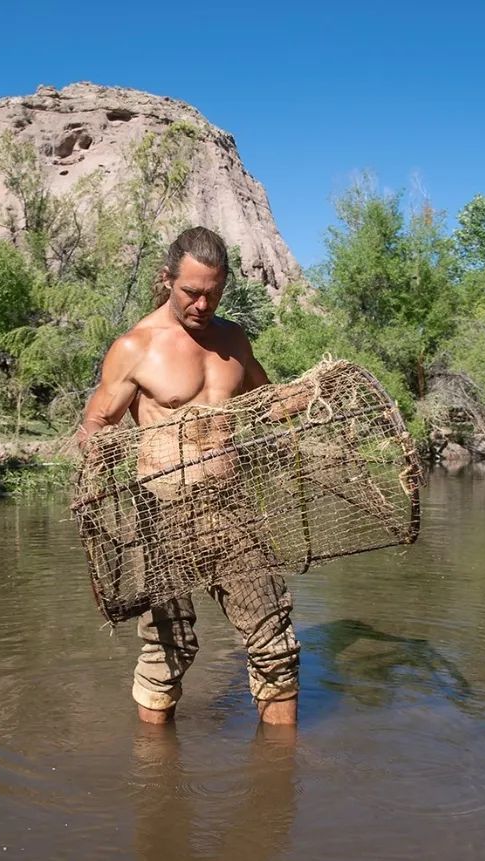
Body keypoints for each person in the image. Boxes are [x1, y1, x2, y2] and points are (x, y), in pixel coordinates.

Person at [78, 227, 300, 726]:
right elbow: (97, 421)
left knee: (275, 642)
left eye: (213, 293)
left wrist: (311, 393)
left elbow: (265, 402)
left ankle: (281, 783)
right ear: (167, 280)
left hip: (231, 511)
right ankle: (155, 779)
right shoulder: (136, 346)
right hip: (160, 516)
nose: (202, 304)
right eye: (191, 292)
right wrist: (94, 451)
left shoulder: (234, 340)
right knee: (167, 650)